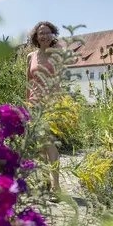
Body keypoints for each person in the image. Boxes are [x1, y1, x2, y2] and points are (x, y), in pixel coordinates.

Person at [26, 21, 63, 198]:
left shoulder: (57, 54)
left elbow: (58, 81)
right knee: (39, 147)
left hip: (49, 104)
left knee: (49, 144)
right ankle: (44, 183)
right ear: (36, 37)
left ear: (52, 35)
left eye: (47, 33)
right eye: (41, 33)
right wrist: (27, 105)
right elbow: (29, 82)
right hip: (33, 104)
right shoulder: (30, 56)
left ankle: (56, 186)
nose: (44, 36)